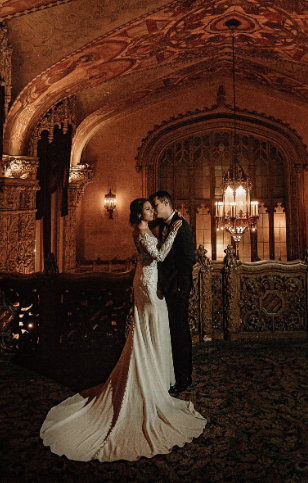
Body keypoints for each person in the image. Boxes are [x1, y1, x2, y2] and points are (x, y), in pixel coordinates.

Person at [40, 198, 206, 462]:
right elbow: (161, 256)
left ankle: (157, 376)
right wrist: (173, 233)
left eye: (154, 207)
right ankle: (150, 378)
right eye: (149, 209)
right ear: (140, 213)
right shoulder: (142, 232)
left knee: (154, 326)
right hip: (148, 285)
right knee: (152, 325)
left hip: (148, 280)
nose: (153, 211)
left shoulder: (145, 230)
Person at [149, 191, 196, 394]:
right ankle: (169, 375)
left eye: (156, 205)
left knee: (179, 332)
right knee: (169, 332)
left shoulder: (181, 226)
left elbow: (188, 260)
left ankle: (183, 377)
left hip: (177, 287)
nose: (153, 209)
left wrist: (177, 287)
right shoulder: (160, 225)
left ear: (166, 203)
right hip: (165, 286)